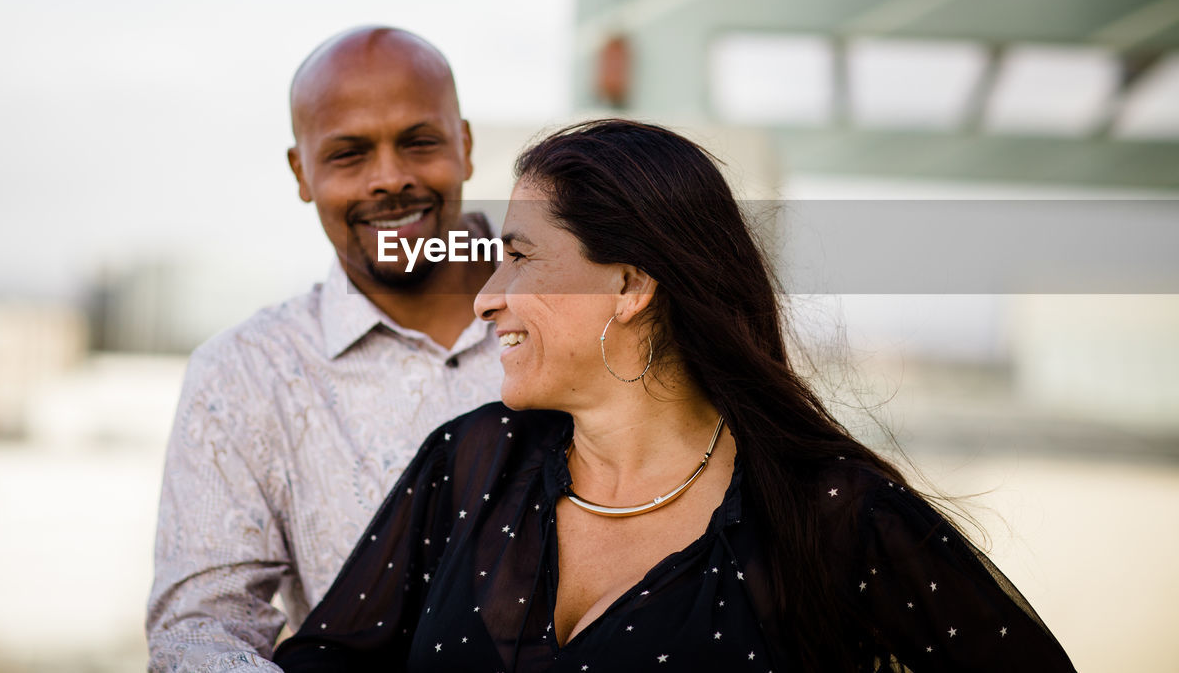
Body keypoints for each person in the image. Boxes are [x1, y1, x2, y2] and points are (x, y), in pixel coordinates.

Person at [273, 119, 1077, 672]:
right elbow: (326, 657)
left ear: (627, 285)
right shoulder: (469, 463)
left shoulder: (831, 514)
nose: (487, 297)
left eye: (520, 257)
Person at [146, 27, 501, 671]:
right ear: (300, 172)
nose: (390, 179)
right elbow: (199, 631)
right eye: (349, 154)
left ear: (466, 146)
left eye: (419, 142)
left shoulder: (587, 308)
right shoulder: (246, 374)